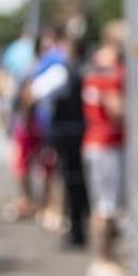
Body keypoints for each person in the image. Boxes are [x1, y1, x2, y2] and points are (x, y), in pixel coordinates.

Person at [21, 25, 89, 249]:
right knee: (74, 182)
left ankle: (77, 230)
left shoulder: (61, 70)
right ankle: (77, 227)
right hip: (74, 131)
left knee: (71, 181)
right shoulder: (74, 67)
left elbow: (34, 93)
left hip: (67, 133)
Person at [81, 22, 127, 276]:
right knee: (104, 205)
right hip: (104, 143)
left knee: (110, 205)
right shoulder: (107, 66)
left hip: (108, 142)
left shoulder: (105, 63)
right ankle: (101, 260)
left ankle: (108, 259)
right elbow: (115, 107)